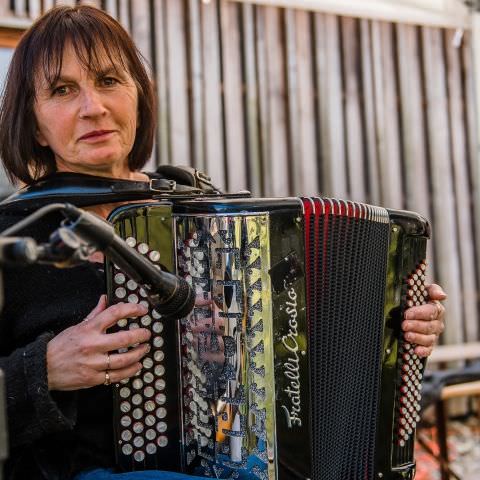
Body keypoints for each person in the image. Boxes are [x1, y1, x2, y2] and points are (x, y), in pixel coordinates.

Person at [0, 5, 446, 480]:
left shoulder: (202, 212)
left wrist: (396, 321)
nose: (94, 106)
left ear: (138, 95)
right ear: (34, 122)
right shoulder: (16, 235)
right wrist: (42, 370)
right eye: (63, 90)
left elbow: (296, 343)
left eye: (109, 80)